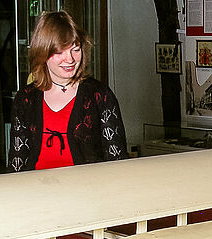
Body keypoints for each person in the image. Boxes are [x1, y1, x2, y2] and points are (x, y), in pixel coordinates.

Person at [8, 11, 127, 171]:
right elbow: (17, 162)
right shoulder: (26, 98)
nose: (70, 59)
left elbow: (117, 161)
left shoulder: (99, 95)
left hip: (86, 191)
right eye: (59, 52)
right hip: (36, 191)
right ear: (42, 53)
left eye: (75, 50)